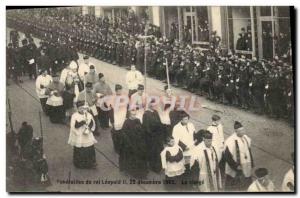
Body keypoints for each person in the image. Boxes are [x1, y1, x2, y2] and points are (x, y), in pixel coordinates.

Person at [224, 121, 254, 191]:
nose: (243, 132)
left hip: (246, 164)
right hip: (235, 166)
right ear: (236, 131)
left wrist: (252, 162)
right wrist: (235, 166)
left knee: (246, 180)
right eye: (241, 131)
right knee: (233, 184)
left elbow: (249, 151)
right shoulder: (230, 141)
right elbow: (227, 156)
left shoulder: (246, 138)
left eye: (243, 130)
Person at [119, 108, 148, 179]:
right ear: (129, 115)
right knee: (134, 158)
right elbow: (124, 135)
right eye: (132, 115)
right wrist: (129, 144)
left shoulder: (137, 120)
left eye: (135, 114)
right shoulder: (126, 123)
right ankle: (135, 173)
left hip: (139, 143)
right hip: (131, 144)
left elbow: (142, 130)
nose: (134, 116)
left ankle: (142, 172)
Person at [68, 100, 97, 169]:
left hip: (87, 134)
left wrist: (89, 128)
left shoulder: (88, 114)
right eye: (80, 108)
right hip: (79, 134)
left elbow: (92, 122)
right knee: (80, 148)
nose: (82, 110)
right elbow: (73, 126)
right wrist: (81, 123)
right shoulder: (74, 116)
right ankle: (79, 163)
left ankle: (91, 163)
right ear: (77, 108)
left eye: (83, 108)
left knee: (89, 147)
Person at [110, 84, 127, 154]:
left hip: (122, 117)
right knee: (116, 133)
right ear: (116, 91)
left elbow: (126, 106)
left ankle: (122, 146)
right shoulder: (113, 98)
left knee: (122, 132)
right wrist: (112, 121)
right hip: (116, 118)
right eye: (119, 90)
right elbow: (111, 110)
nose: (120, 92)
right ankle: (116, 147)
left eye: (121, 90)